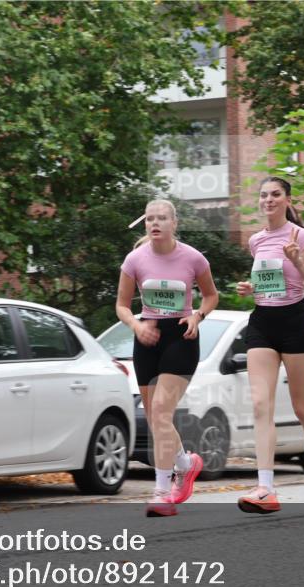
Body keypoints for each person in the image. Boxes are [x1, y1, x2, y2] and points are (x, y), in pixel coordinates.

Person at [236, 177, 304, 513]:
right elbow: (268, 282)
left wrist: (297, 261)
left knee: (302, 407)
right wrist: (252, 289)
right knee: (260, 403)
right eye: (264, 195)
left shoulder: (300, 236)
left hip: (294, 323)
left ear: (287, 200)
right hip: (262, 323)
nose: (268, 200)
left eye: (275, 195)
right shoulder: (255, 241)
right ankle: (265, 488)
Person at [116, 200, 219, 517]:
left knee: (161, 411)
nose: (155, 223)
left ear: (174, 223)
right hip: (147, 336)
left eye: (161, 218)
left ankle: (161, 491)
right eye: (150, 219)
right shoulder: (135, 259)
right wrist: (136, 325)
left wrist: (197, 316)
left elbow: (212, 295)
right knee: (156, 417)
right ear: (145, 224)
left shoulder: (192, 258)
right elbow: (121, 305)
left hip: (181, 336)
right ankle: (186, 465)